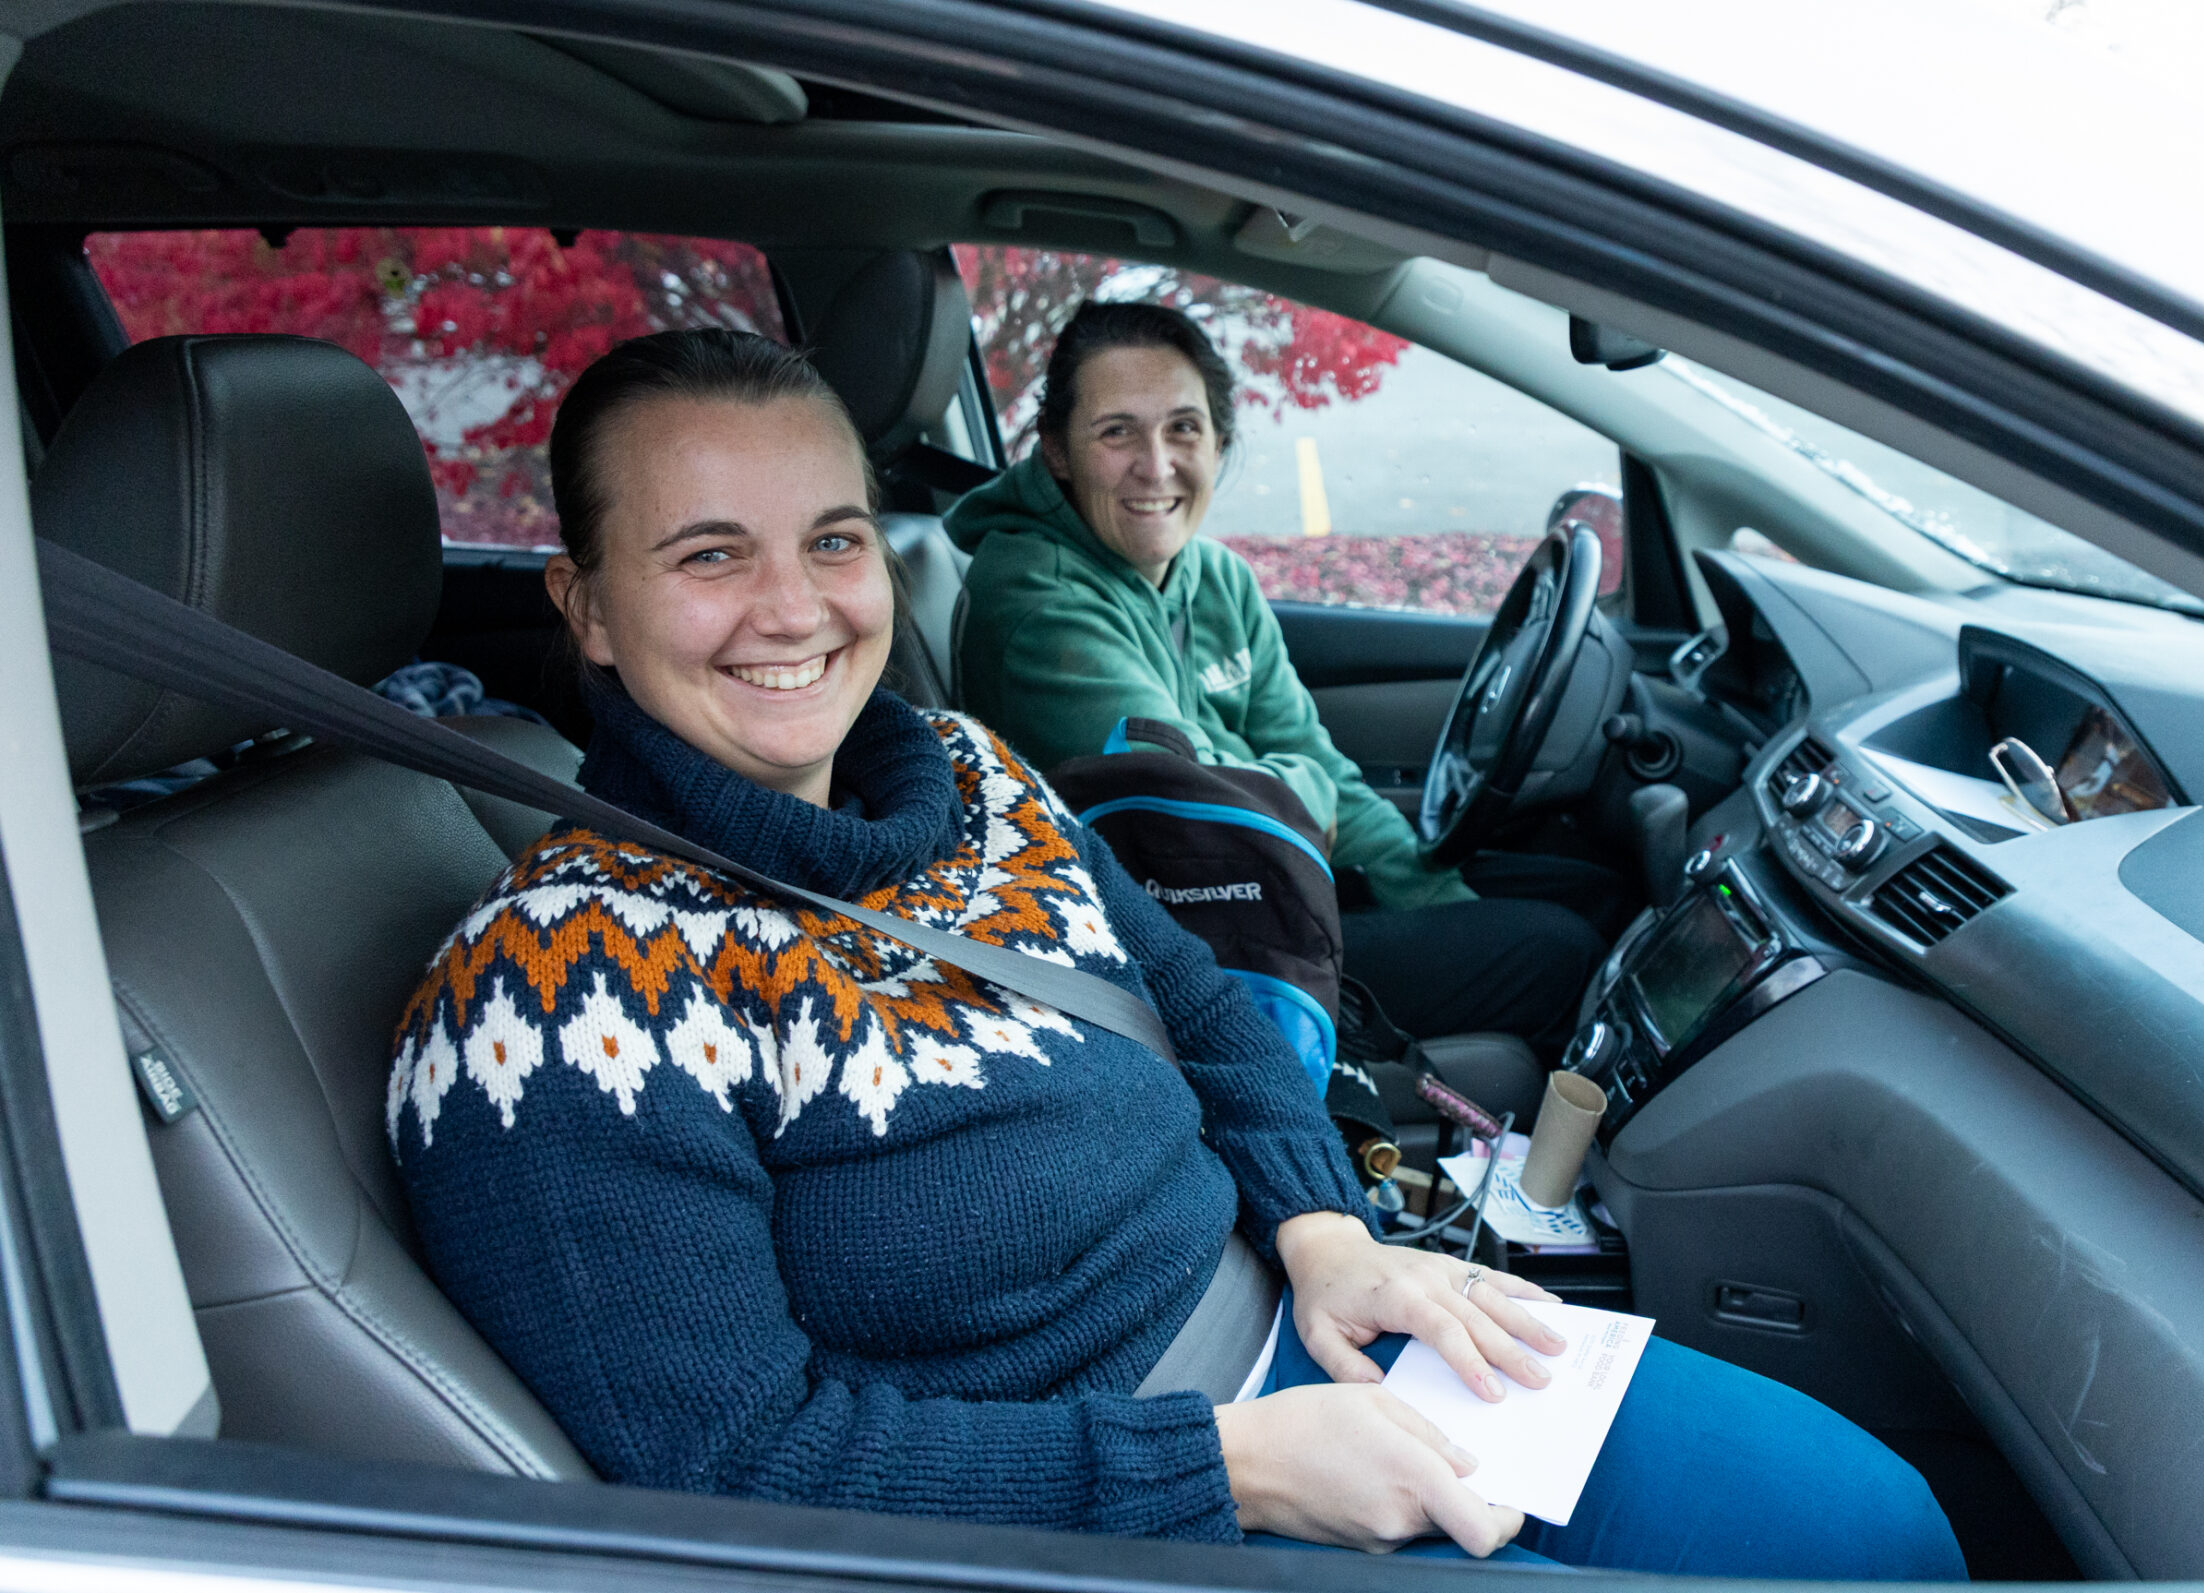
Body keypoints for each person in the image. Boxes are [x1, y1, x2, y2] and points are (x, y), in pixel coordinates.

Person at [387, 327, 1963, 1578]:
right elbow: (734, 1467)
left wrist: (1325, 1233)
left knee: (1880, 1531)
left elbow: (1199, 1001)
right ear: (584, 607)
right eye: (710, 555)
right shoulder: (545, 997)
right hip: (1102, 1515)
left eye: (835, 538)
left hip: (1309, 1320)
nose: (794, 609)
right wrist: (1236, 1469)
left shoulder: (963, 772)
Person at [946, 302, 1616, 1062]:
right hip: (1186, 954)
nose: (1157, 464)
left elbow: (1311, 759)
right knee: (1558, 952)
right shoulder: (1038, 606)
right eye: (1116, 431)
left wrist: (1431, 893)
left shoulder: (1215, 576)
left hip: (1260, 894)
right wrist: (1309, 792)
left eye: (1183, 428)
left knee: (1589, 891)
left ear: (1219, 439)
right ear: (1058, 453)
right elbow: (1202, 815)